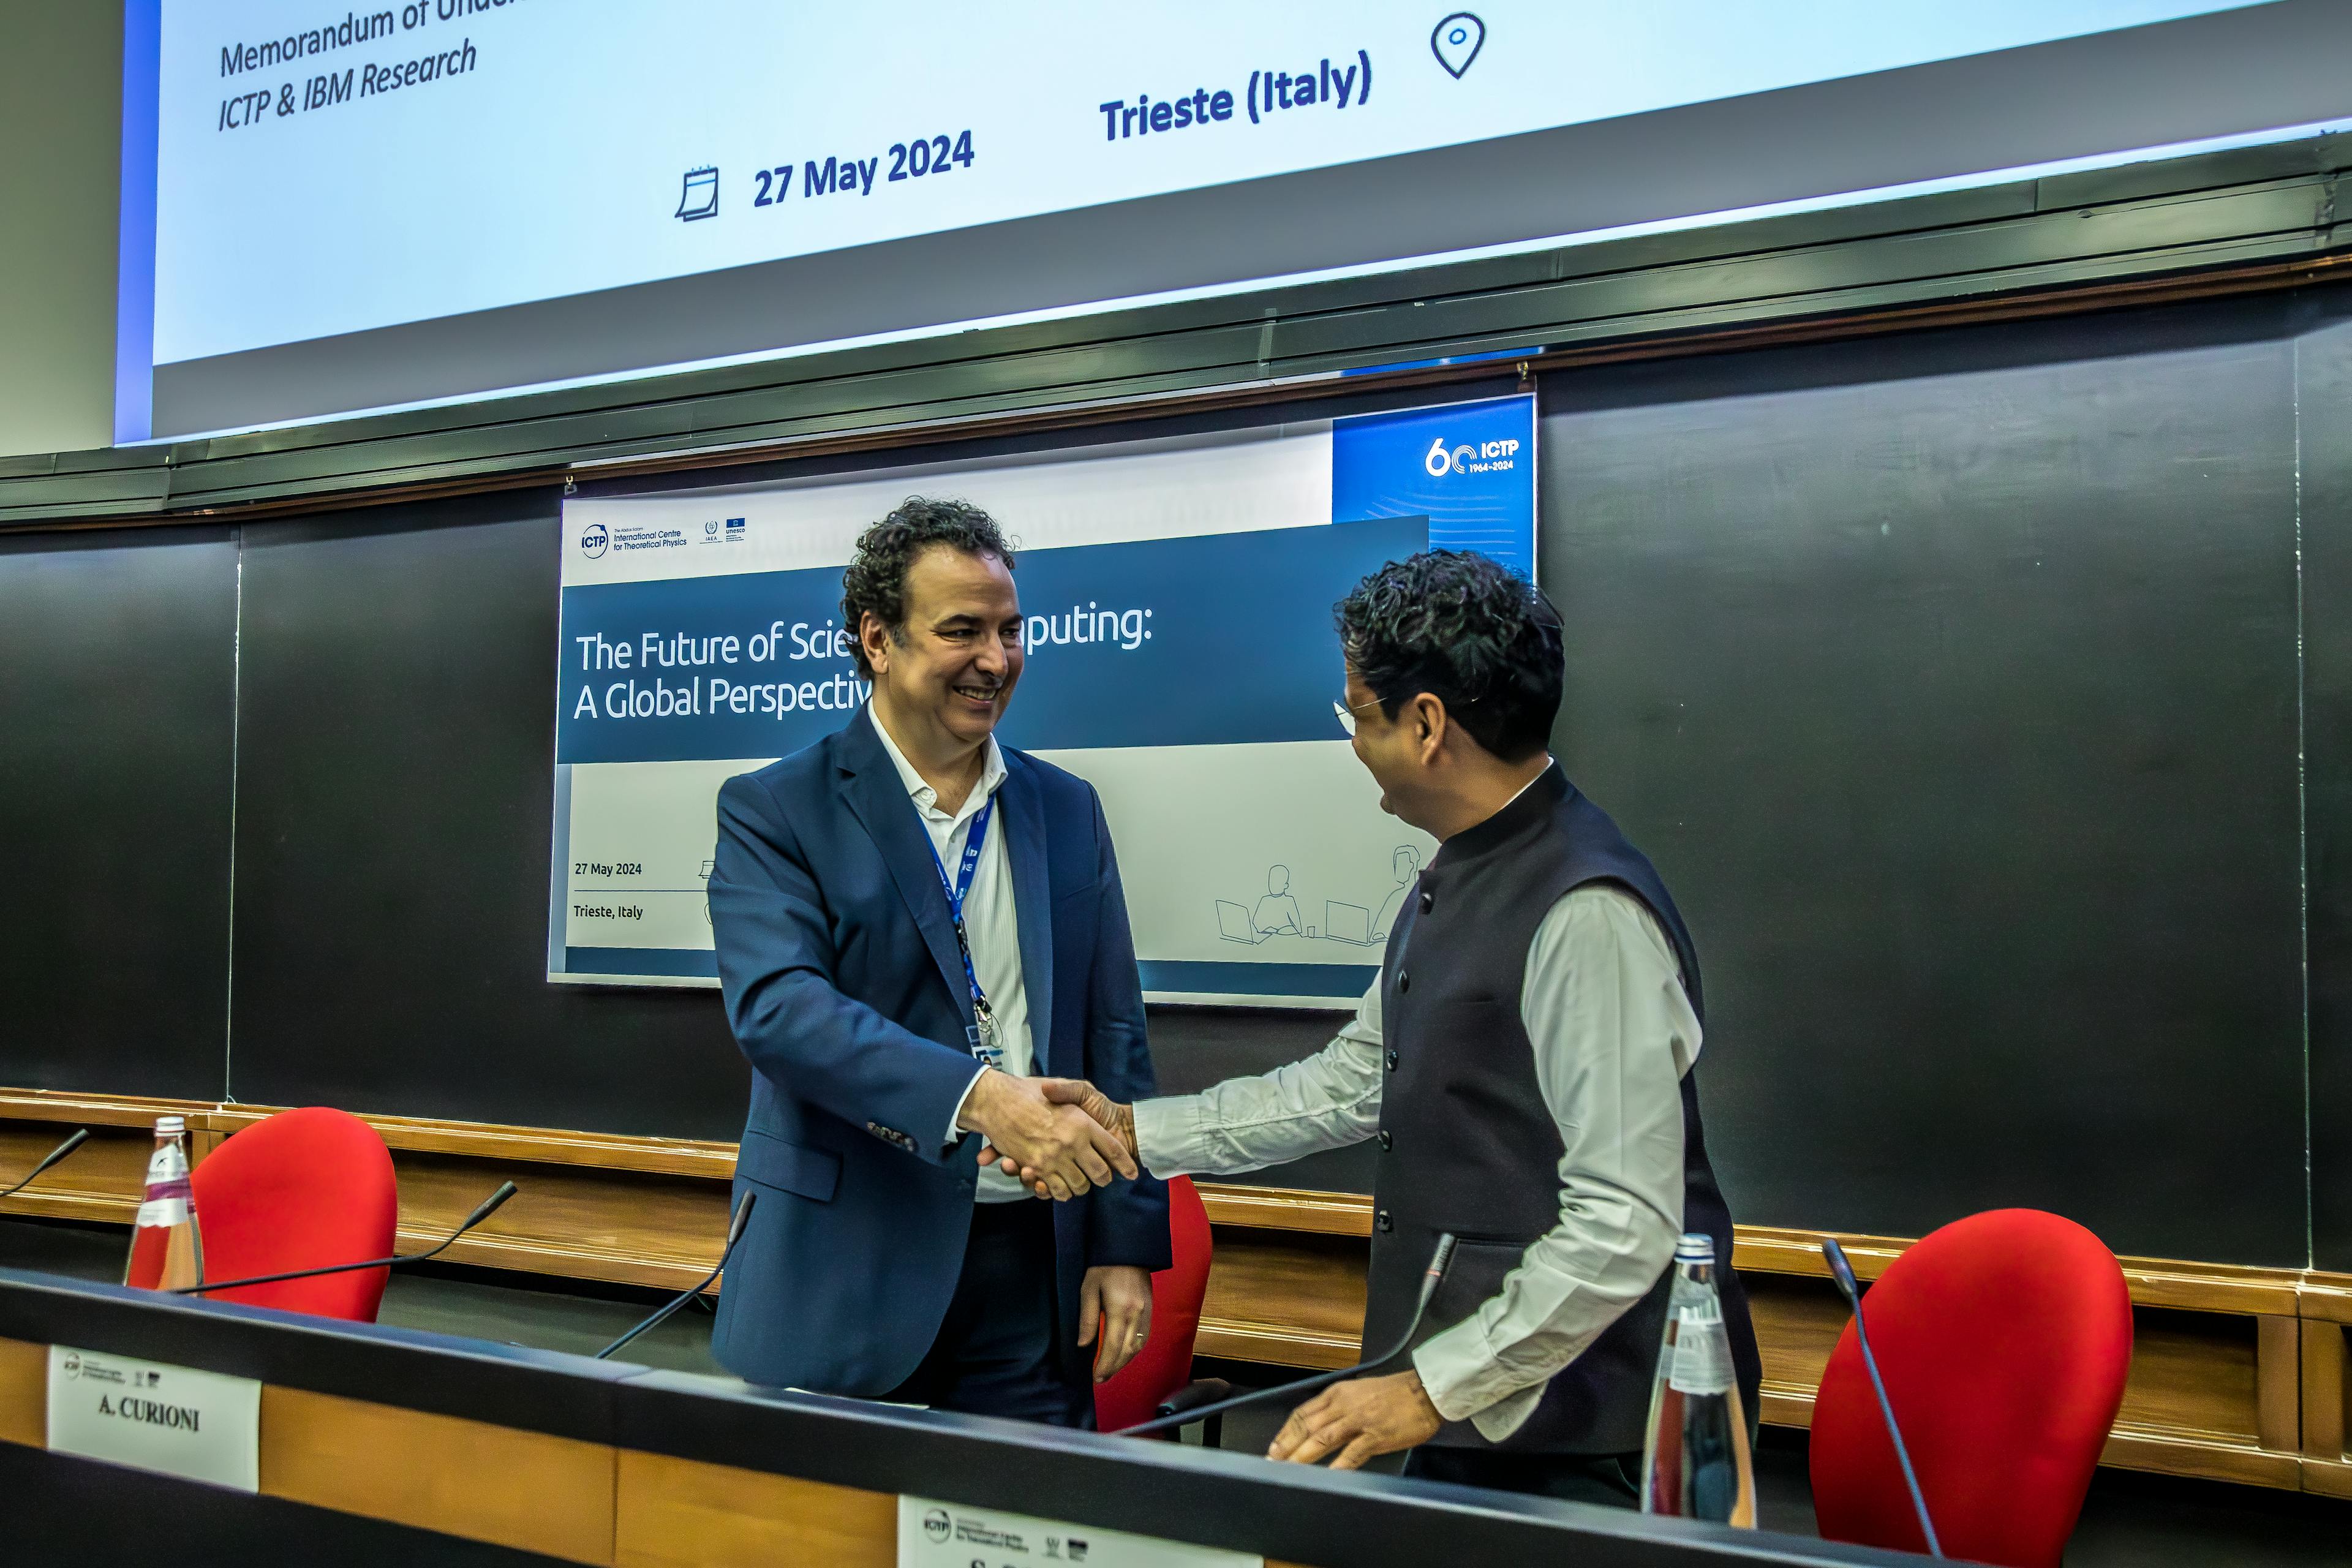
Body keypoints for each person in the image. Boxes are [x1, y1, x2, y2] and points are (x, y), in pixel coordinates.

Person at [988, 549, 1760, 1499]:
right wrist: (1135, 1132)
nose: (1352, 740)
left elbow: (1624, 1224)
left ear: (1427, 725)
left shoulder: (1586, 913)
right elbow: (1355, 1081)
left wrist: (1432, 1388)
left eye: (1358, 715)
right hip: (1481, 1418)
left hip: (1589, 1446)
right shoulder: (1461, 872)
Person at [706, 496, 1167, 1426]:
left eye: (1009, 630)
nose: (995, 661)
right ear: (877, 640)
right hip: (845, 1269)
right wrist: (981, 1096)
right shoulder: (776, 808)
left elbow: (1115, 1033)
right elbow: (782, 1011)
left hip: (1033, 1280)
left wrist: (1124, 1240)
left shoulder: (1066, 809)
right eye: (962, 631)